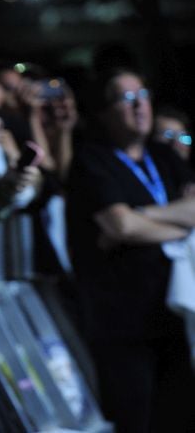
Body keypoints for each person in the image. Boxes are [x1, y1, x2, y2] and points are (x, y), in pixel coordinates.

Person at [67, 69, 195, 432]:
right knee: (136, 419)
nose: (140, 105)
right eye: (126, 98)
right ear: (106, 112)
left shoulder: (165, 156)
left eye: (143, 95)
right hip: (121, 323)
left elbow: (130, 223)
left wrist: (139, 216)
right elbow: (120, 227)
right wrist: (176, 227)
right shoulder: (92, 160)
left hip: (173, 311)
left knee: (181, 415)